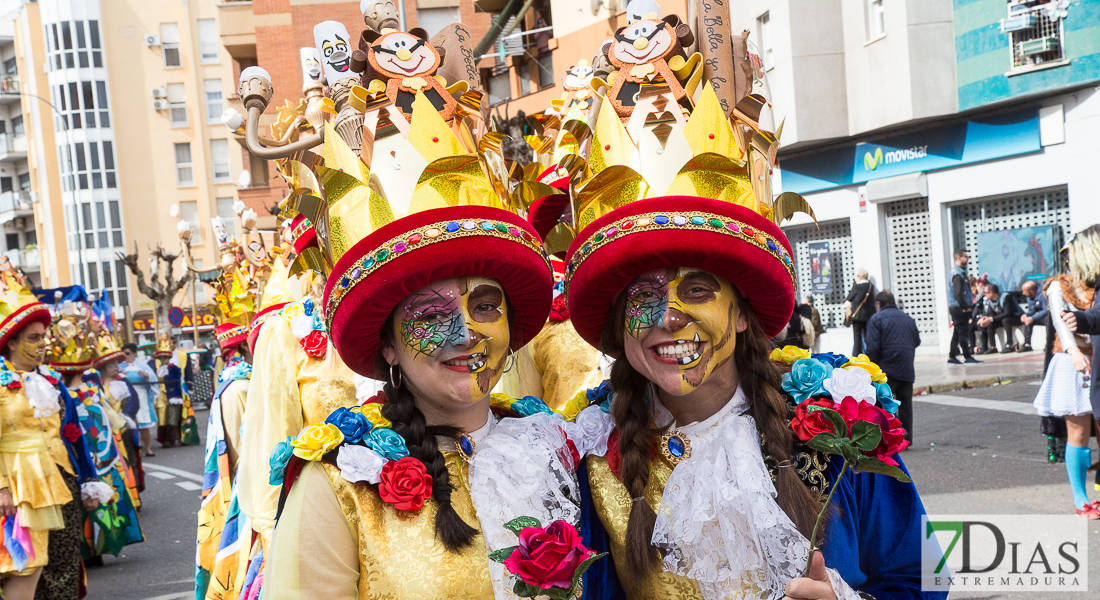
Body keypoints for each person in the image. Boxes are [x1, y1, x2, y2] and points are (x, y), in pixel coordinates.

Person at [556, 19, 941, 596]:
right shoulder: (592, 457)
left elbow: (921, 576)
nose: (667, 317)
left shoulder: (834, 426)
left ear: (740, 311)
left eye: (698, 290)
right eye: (643, 297)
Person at [264, 75, 585, 598]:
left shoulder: (555, 445)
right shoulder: (342, 483)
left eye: (485, 306)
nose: (467, 333)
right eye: (430, 314)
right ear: (388, 343)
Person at [1031, 268, 1096, 517]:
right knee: (1078, 431)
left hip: (1096, 355)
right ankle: (1081, 498)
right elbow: (1059, 319)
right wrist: (1074, 351)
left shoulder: (1096, 283)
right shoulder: (1061, 284)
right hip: (1074, 360)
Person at [864, 290, 921, 443]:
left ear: (878, 304)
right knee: (906, 405)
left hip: (886, 370)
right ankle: (907, 437)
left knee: (886, 404)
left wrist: (870, 370)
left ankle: (891, 439)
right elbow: (917, 341)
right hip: (906, 369)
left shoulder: (877, 319)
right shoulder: (908, 319)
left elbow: (872, 348)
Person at [120, 342, 158, 457]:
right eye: (123, 354)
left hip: (142, 395)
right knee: (130, 424)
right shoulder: (120, 367)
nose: (125, 356)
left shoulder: (142, 365)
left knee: (144, 424)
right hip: (127, 396)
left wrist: (146, 375)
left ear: (134, 353)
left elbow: (153, 378)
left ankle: (148, 448)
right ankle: (135, 449)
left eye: (127, 353)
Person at [948, 249, 981, 364]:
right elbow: (957, 293)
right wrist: (965, 306)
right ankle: (967, 357)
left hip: (957, 307)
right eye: (966, 257)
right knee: (963, 332)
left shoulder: (959, 272)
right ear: (958, 258)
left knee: (957, 332)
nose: (968, 259)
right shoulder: (957, 274)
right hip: (959, 308)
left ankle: (952, 356)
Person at [976, 284, 1022, 353]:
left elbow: (1008, 313)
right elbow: (991, 313)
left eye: (985, 292)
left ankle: (1010, 344)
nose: (984, 294)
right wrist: (985, 319)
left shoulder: (1006, 297)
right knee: (990, 323)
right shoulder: (990, 301)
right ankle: (993, 347)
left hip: (1016, 317)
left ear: (991, 293)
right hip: (1003, 318)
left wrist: (991, 318)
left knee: (1005, 320)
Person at [843, 269, 876, 355]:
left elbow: (848, 300)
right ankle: (869, 354)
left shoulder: (857, 287)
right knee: (867, 335)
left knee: (857, 336)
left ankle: (858, 355)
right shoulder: (870, 286)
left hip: (857, 316)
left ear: (859, 277)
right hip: (869, 315)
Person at [1020, 280, 1047, 353]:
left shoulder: (1043, 294)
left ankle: (1048, 344)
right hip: (1037, 316)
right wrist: (1026, 315)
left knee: (1048, 319)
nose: (1023, 293)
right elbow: (1031, 310)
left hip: (1045, 316)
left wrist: (1033, 318)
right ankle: (1027, 344)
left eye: (1025, 291)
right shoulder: (1029, 296)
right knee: (1027, 321)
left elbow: (1046, 310)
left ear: (1032, 291)